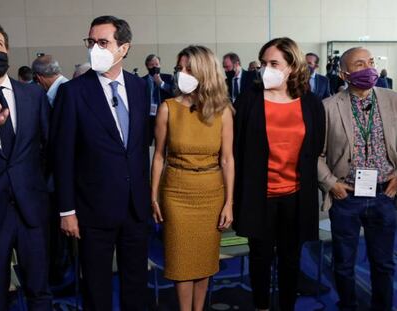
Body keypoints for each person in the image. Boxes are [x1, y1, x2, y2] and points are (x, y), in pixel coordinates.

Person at [51, 16, 150, 310]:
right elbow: (62, 155)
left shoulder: (138, 87)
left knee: (136, 282)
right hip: (92, 209)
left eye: (103, 42)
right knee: (96, 286)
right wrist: (66, 210)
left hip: (135, 207)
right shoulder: (73, 92)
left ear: (124, 48)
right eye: (91, 42)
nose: (95, 48)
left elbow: (137, 147)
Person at [233, 37, 325, 311]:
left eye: (274, 63)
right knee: (259, 258)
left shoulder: (311, 103)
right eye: (263, 63)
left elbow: (315, 146)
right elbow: (237, 148)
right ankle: (261, 306)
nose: (266, 69)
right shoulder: (249, 99)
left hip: (296, 197)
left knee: (290, 259)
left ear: (292, 66)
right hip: (258, 196)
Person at [151, 45, 234, 311]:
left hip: (211, 193)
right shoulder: (168, 108)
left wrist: (229, 202)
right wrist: (153, 196)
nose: (181, 74)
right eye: (180, 69)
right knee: (180, 260)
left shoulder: (223, 111)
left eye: (188, 68)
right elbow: (159, 157)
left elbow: (227, 159)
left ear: (204, 72)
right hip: (176, 193)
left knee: (205, 260)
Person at [318, 47, 397, 311]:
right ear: (344, 73)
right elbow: (314, 155)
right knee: (343, 263)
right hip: (346, 197)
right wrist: (331, 184)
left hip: (385, 195)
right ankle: (348, 306)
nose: (369, 68)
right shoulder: (328, 107)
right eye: (360, 64)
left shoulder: (392, 100)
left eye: (371, 62)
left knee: (384, 263)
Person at [0, 20, 52, 311]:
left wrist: (43, 192)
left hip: (32, 212)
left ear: (8, 50)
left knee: (40, 290)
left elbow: (49, 149)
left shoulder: (33, 95)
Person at [141, 54, 174, 145]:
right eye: (152, 65)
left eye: (157, 64)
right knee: (146, 143)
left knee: (163, 143)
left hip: (163, 116)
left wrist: (161, 83)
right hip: (148, 117)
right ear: (147, 66)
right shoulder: (141, 81)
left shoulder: (168, 78)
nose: (155, 67)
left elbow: (174, 93)